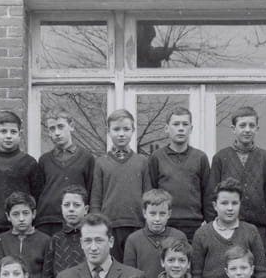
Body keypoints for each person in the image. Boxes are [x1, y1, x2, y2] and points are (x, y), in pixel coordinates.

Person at [90, 108, 152, 262]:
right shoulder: (100, 162)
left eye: (126, 129)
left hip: (137, 225)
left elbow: (148, 196)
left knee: (134, 267)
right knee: (112, 267)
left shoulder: (142, 162)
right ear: (108, 131)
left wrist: (148, 223)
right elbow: (96, 198)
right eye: (116, 129)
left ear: (133, 131)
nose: (121, 134)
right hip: (110, 226)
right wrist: (97, 225)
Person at [191, 178, 266, 278]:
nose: (230, 208)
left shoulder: (251, 231)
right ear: (215, 205)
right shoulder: (202, 234)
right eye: (224, 203)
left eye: (234, 203)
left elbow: (261, 272)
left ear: (240, 204)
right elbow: (196, 276)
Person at [208, 106, 266, 241]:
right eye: (242, 125)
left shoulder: (265, 158)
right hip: (226, 228)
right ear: (233, 129)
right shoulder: (221, 158)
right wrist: (214, 228)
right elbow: (211, 195)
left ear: (257, 129)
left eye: (252, 125)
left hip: (258, 229)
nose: (247, 130)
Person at [147, 107, 212, 242]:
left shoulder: (200, 157)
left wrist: (210, 225)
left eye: (185, 124)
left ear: (191, 128)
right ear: (167, 128)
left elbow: (207, 194)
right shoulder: (156, 157)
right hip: (164, 224)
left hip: (193, 226)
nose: (181, 128)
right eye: (176, 124)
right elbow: (151, 192)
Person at [36, 108, 95, 236]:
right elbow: (38, 191)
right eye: (52, 129)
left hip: (75, 221)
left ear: (71, 126)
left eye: (61, 127)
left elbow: (90, 191)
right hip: (47, 220)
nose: (57, 133)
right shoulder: (44, 160)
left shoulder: (86, 158)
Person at [0, 111, 42, 234]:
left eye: (13, 132)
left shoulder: (30, 163)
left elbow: (37, 197)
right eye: (3, 131)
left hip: (21, 227)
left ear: (20, 134)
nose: (8, 136)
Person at [123, 189, 188, 278]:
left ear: (169, 214)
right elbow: (129, 276)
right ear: (144, 213)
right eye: (152, 214)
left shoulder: (179, 236)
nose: (157, 219)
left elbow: (185, 271)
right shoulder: (133, 240)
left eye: (162, 214)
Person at [40, 185, 89, 278]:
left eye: (76, 205)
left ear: (86, 209)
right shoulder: (55, 239)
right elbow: (47, 277)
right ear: (61, 208)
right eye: (67, 205)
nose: (71, 209)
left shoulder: (91, 237)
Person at [0, 192, 51, 278]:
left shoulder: (45, 240)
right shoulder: (0, 240)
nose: (21, 219)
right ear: (8, 216)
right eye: (15, 214)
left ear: (33, 214)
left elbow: (47, 277)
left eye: (25, 213)